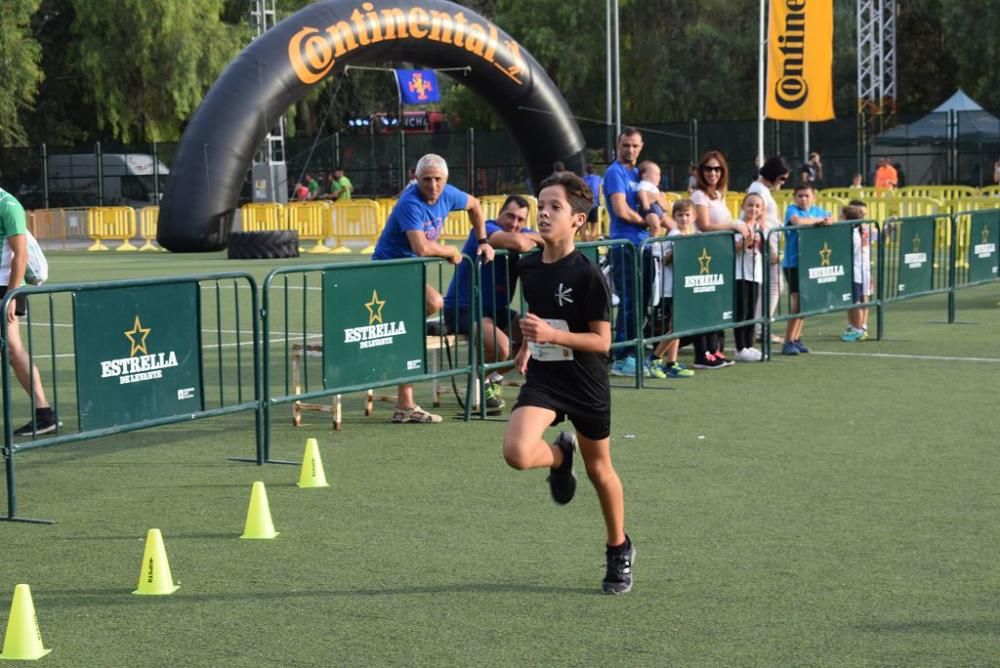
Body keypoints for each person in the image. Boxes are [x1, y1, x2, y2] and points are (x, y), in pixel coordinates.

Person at [503, 170, 634, 595]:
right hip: (545, 376)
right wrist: (527, 347)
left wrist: (552, 336)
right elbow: (537, 319)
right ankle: (559, 457)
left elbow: (602, 341)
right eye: (541, 206)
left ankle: (619, 548)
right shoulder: (528, 266)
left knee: (599, 470)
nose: (543, 214)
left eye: (554, 207)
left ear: (577, 220)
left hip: (585, 382)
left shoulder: (588, 275)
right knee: (517, 452)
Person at [372, 153, 495, 423]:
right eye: (426, 179)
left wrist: (483, 240)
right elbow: (422, 247)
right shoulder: (410, 203)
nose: (433, 185)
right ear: (416, 178)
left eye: (438, 179)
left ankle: (405, 403)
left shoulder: (449, 194)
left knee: (420, 316)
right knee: (432, 305)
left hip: (408, 271)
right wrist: (450, 251)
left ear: (446, 179)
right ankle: (405, 404)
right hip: (387, 269)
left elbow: (475, 206)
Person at [442, 195, 542, 410]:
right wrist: (536, 238)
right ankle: (478, 384)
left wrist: (534, 236)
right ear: (499, 214)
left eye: (520, 220)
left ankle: (493, 378)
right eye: (510, 216)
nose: (514, 223)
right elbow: (520, 243)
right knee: (501, 347)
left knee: (533, 334)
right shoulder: (485, 229)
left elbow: (549, 238)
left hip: (496, 309)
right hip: (463, 308)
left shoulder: (521, 232)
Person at [604, 128, 661, 378]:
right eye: (626, 145)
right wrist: (647, 221)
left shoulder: (640, 174)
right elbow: (621, 210)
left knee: (643, 301)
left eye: (635, 146)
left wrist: (658, 216)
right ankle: (621, 357)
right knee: (629, 301)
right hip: (624, 244)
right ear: (618, 145)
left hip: (645, 245)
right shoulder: (614, 172)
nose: (630, 150)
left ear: (642, 146)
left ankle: (635, 351)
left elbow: (658, 202)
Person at [0, 185, 57, 435]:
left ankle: (44, 413)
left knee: (12, 348)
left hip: (5, 285)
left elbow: (20, 254)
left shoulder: (7, 204)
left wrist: (11, 295)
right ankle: (45, 414)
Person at [690, 150, 750, 369]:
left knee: (715, 305)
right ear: (701, 171)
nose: (712, 173)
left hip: (719, 255)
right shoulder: (699, 195)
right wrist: (733, 225)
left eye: (717, 169)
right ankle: (701, 354)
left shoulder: (718, 195)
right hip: (704, 255)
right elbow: (704, 225)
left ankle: (713, 351)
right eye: (708, 168)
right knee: (704, 305)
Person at [645, 199, 696, 378]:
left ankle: (671, 362)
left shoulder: (688, 234)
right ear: (674, 217)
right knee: (676, 326)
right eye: (680, 215)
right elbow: (664, 260)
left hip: (683, 285)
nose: (684, 219)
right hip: (671, 286)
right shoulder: (673, 234)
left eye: (687, 215)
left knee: (678, 324)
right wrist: (678, 250)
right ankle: (654, 357)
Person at [780, 184, 832, 355]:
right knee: (798, 302)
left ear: (813, 197)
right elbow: (797, 221)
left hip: (810, 263)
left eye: (806, 195)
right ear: (795, 198)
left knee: (805, 302)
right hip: (793, 263)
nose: (803, 199)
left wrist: (826, 220)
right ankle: (788, 341)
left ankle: (796, 338)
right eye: (800, 195)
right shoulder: (791, 210)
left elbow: (830, 220)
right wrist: (819, 221)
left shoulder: (818, 210)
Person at [747, 156, 790, 345]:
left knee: (771, 286)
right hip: (763, 244)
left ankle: (759, 327)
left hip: (766, 242)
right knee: (774, 285)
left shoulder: (761, 189)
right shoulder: (758, 190)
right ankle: (760, 328)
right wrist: (769, 249)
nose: (783, 183)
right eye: (782, 178)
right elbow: (759, 220)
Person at [733, 192, 766, 362]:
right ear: (743, 206)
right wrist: (746, 242)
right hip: (740, 274)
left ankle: (749, 345)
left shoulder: (760, 227)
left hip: (755, 274)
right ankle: (740, 347)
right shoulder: (739, 225)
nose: (753, 209)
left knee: (751, 312)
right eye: (750, 205)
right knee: (741, 311)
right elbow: (733, 248)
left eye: (757, 206)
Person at [841, 201, 872, 342]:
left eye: (841, 216)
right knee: (855, 300)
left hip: (855, 271)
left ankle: (859, 329)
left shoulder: (852, 233)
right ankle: (856, 327)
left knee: (856, 301)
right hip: (858, 270)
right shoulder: (858, 231)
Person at [636, 161, 673, 236]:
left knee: (672, 226)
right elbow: (642, 192)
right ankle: (653, 244)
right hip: (650, 210)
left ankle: (666, 244)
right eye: (656, 174)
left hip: (658, 210)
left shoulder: (654, 187)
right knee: (656, 228)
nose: (659, 177)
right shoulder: (644, 183)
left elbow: (663, 204)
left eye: (659, 175)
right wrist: (645, 202)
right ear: (645, 176)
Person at [582, 164, 603, 241]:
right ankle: (591, 242)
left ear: (586, 171)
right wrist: (600, 201)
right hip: (595, 203)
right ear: (595, 171)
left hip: (585, 204)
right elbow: (600, 190)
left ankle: (584, 243)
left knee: (584, 225)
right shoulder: (599, 179)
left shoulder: (583, 179)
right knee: (594, 226)